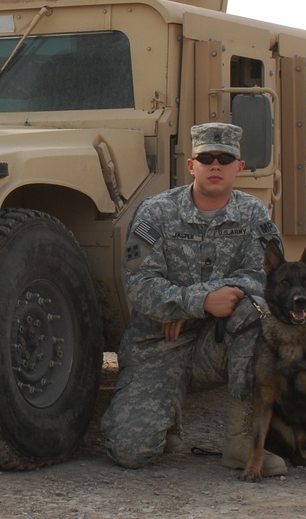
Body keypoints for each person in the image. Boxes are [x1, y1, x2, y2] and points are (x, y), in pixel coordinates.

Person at [100, 121, 287, 475]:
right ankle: (166, 419)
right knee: (130, 451)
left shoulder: (253, 214)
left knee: (257, 314)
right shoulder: (156, 212)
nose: (215, 165)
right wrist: (199, 302)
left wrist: (193, 306)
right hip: (158, 345)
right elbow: (139, 285)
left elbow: (268, 280)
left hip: (215, 344)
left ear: (239, 167)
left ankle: (241, 442)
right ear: (191, 165)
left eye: (224, 158)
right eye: (206, 157)